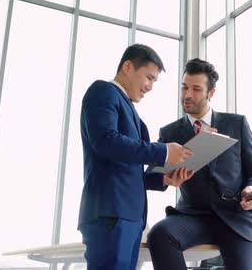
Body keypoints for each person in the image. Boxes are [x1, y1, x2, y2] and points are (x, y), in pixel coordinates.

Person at [77, 44, 195, 270]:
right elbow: (106, 142)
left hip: (128, 218)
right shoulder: (103, 91)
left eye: (154, 81)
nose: (150, 87)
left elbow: (126, 168)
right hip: (111, 214)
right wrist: (164, 151)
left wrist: (162, 179)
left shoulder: (128, 108)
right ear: (128, 67)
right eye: (148, 77)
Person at [147, 58, 252, 270]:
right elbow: (151, 174)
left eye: (196, 89)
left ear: (210, 93)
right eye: (184, 87)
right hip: (194, 217)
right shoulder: (170, 132)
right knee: (160, 234)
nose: (187, 94)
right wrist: (166, 178)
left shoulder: (236, 124)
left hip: (237, 216)